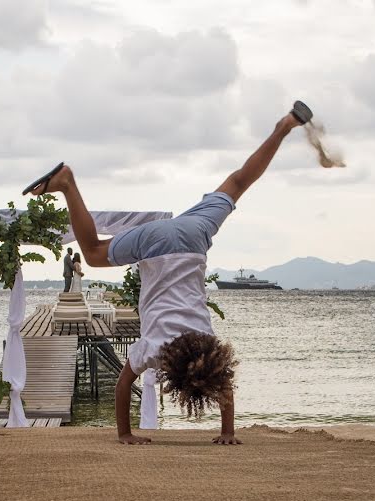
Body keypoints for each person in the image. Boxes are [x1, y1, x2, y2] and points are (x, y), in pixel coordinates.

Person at [25, 103, 311, 445]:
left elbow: (223, 386)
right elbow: (123, 387)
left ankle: (284, 126)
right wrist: (125, 435)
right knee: (93, 253)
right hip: (157, 242)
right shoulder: (156, 350)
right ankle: (67, 183)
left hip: (192, 235)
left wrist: (228, 431)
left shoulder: (207, 342)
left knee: (237, 183)